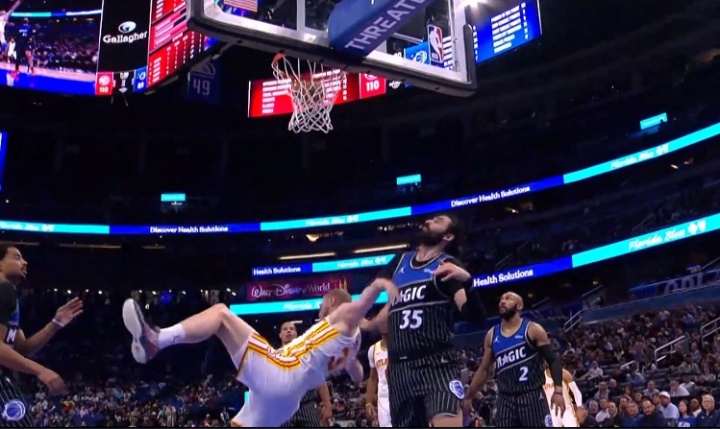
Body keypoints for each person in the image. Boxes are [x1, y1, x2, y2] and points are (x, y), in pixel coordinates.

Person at [122, 281, 392, 427]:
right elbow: (357, 375)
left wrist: (383, 286)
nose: (320, 308)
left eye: (323, 303)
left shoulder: (342, 317)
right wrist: (350, 362)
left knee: (221, 314)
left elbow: (362, 304)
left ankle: (156, 340)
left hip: (282, 374)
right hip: (285, 403)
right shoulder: (350, 342)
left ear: (332, 302)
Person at [369, 213, 486, 427]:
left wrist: (468, 282)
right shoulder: (399, 261)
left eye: (438, 221)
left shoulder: (446, 266)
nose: (429, 221)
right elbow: (379, 299)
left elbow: (475, 317)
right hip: (400, 369)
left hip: (437, 364)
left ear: (448, 236)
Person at [0, 245, 83, 427]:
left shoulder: (9, 295)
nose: (24, 262)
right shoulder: (4, 289)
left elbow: (22, 349)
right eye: (17, 257)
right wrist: (41, 371)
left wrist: (55, 324)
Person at [464, 292, 563, 428]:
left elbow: (553, 360)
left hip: (531, 395)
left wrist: (558, 391)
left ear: (519, 306)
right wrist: (469, 396)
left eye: (508, 298)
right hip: (505, 399)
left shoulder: (533, 329)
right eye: (501, 299)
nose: (502, 301)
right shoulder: (492, 335)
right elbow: (484, 370)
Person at [276, 321, 332, 427]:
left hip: (307, 405)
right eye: (285, 329)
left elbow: (320, 380)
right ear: (280, 335)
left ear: (296, 334)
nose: (288, 331)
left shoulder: (309, 355)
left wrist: (327, 406)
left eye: (292, 329)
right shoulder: (274, 357)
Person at [365, 318, 390, 427]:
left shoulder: (402, 346)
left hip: (401, 394)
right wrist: (368, 403)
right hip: (383, 398)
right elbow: (373, 378)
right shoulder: (373, 350)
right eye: (382, 323)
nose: (384, 325)